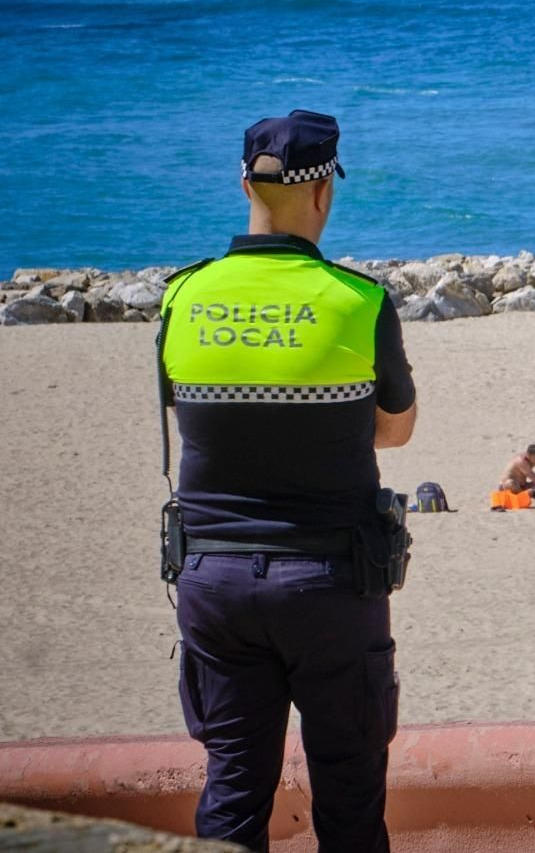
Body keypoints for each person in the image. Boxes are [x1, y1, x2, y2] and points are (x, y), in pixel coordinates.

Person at [159, 110, 417, 851]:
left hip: (214, 578)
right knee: (350, 789)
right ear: (325, 192)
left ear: (244, 182)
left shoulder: (184, 298)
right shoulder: (358, 301)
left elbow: (195, 417)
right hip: (331, 580)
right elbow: (396, 429)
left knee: (233, 786)